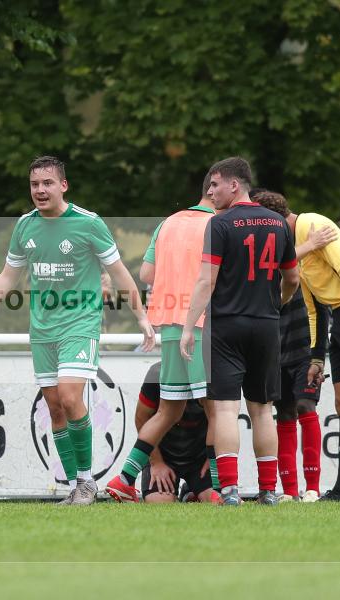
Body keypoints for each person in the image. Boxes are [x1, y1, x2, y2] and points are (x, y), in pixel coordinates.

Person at [0, 155, 155, 506]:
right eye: (34, 184)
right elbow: (7, 278)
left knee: (71, 397)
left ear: (63, 186)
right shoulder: (25, 226)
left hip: (80, 324)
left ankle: (88, 482)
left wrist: (141, 317)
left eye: (47, 184)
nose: (40, 190)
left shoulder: (89, 223)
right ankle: (76, 484)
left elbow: (119, 273)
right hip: (42, 330)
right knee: (55, 407)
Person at [251, 193, 340, 502]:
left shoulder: (313, 224)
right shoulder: (296, 246)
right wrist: (316, 356)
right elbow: (313, 307)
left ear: (275, 220)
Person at [180, 157, 299, 506]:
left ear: (235, 185)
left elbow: (206, 280)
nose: (210, 191)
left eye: (215, 184)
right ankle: (268, 491)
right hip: (266, 326)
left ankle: (229, 490)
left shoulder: (219, 224)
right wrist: (277, 302)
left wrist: (189, 327)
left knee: (227, 410)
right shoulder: (279, 223)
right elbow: (292, 278)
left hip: (226, 326)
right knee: (263, 410)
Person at [105, 179, 215, 502]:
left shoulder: (167, 224)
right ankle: (222, 488)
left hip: (169, 323)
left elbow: (147, 275)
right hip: (203, 324)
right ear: (216, 189)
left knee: (168, 410)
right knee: (216, 408)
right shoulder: (218, 224)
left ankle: (124, 479)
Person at [253, 191, 334, 503]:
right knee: (283, 413)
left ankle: (312, 487)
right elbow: (270, 269)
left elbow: (322, 306)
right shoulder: (263, 255)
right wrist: (307, 245)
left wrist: (319, 356)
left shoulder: (306, 258)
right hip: (274, 348)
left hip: (304, 347)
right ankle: (288, 491)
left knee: (304, 407)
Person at [129, 361, 220, 504]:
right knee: (158, 503)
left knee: (217, 501)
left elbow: (220, 421)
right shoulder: (157, 373)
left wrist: (213, 458)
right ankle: (125, 480)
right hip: (163, 455)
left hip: (200, 458)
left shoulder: (211, 373)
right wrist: (156, 462)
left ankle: (192, 490)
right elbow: (141, 418)